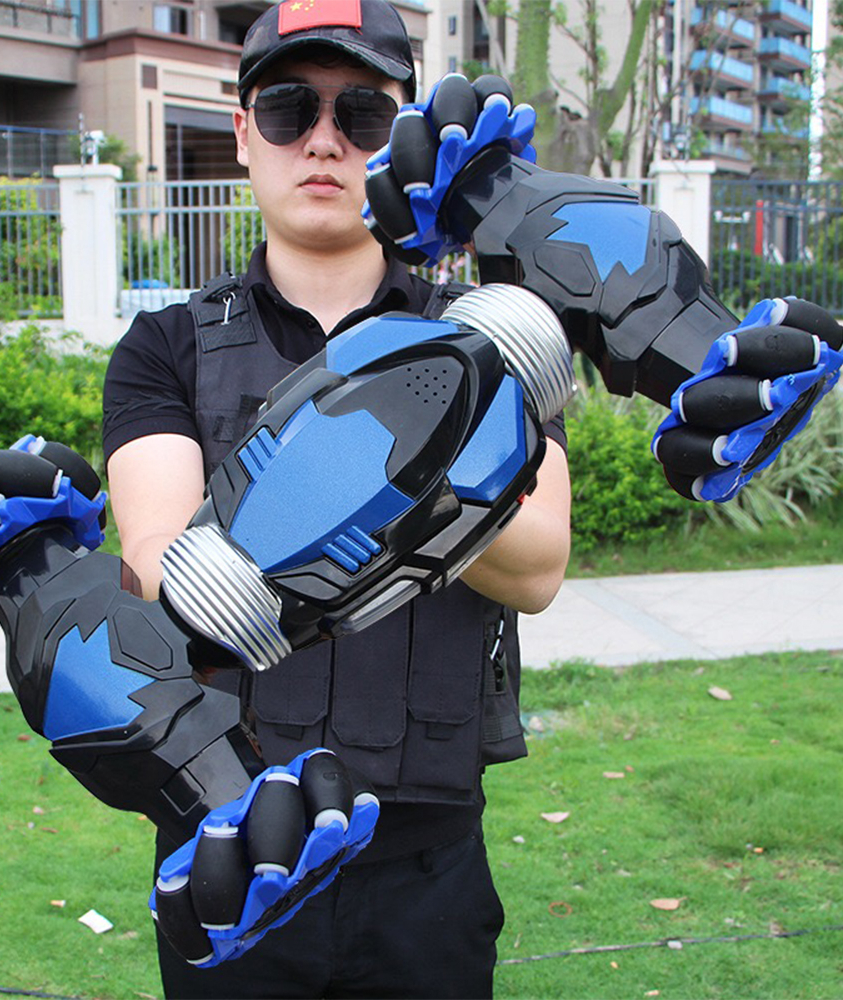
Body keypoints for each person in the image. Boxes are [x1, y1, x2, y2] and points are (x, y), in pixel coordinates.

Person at [101, 1, 572, 996]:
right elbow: (158, 570)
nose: (323, 140)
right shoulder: (166, 347)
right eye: (288, 110)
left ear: (402, 140)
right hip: (230, 844)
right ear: (243, 134)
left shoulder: (492, 336)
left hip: (426, 858)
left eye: (362, 113)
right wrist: (405, 472)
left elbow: (538, 565)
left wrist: (401, 450)